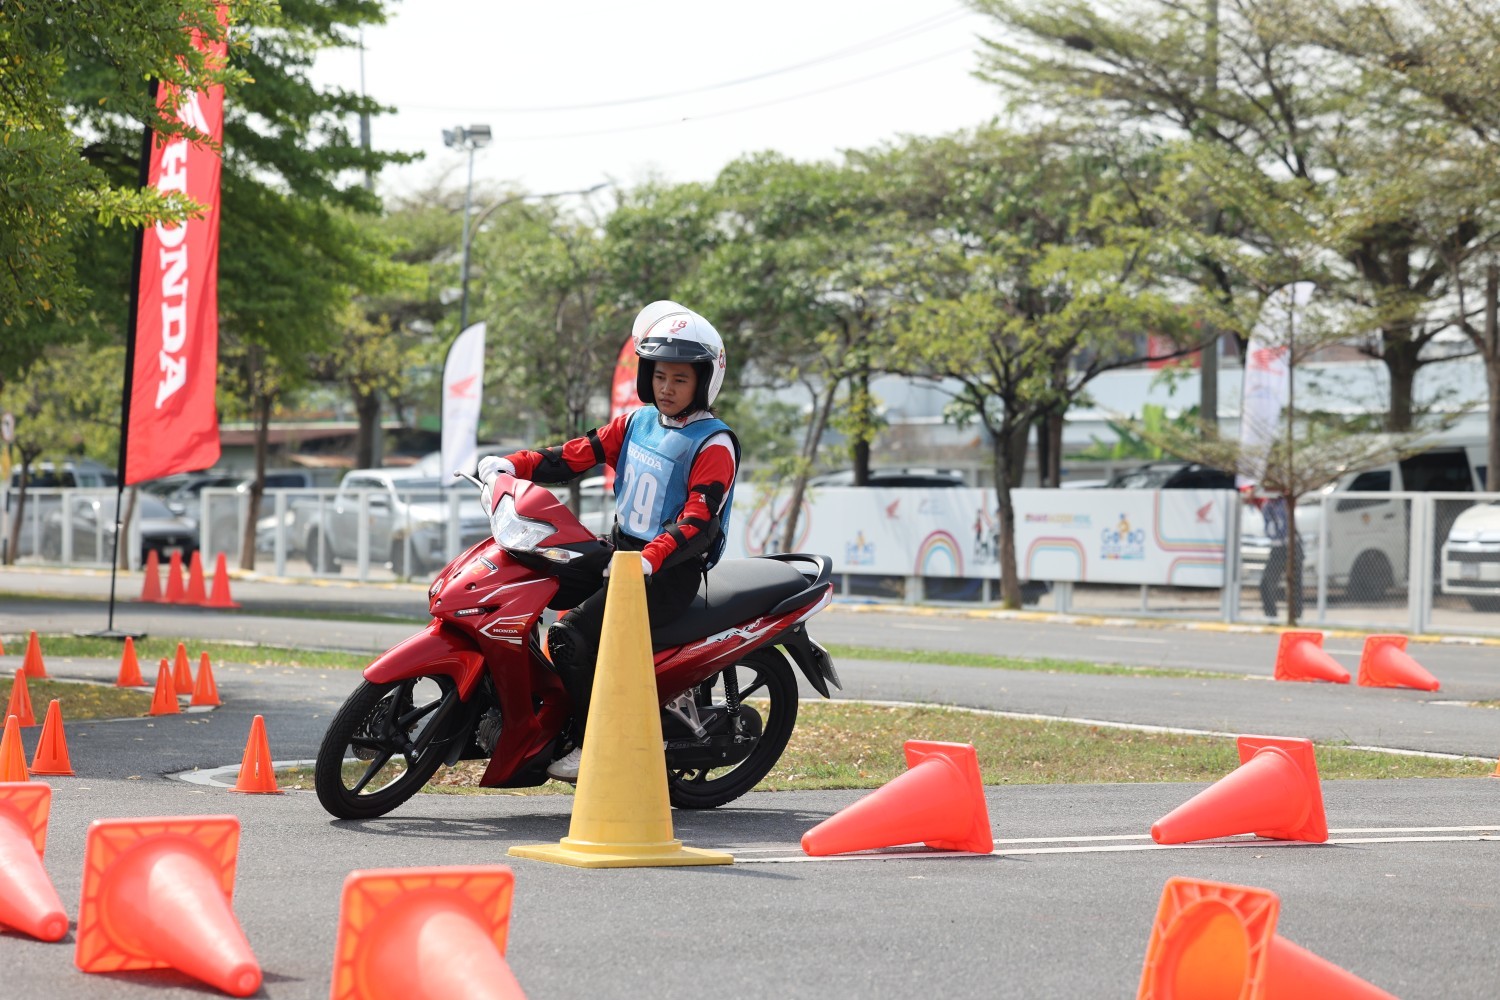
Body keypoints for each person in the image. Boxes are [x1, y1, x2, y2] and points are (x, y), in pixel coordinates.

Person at [476, 301, 740, 782]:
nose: (667, 388)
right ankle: (526, 712)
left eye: (680, 379)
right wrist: (513, 465)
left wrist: (650, 558)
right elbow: (574, 456)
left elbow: (698, 521)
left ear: (704, 381)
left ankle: (597, 742)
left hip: (666, 574)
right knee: (523, 588)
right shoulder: (638, 422)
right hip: (621, 554)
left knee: (568, 636)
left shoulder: (713, 443)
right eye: (660, 376)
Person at [1257, 493, 1304, 620]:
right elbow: (1270, 529)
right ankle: (1271, 615)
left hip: (1292, 545)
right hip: (1277, 548)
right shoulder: (1267, 506)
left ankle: (1296, 616)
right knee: (1266, 583)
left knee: (1295, 583)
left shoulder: (1285, 503)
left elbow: (1286, 524)